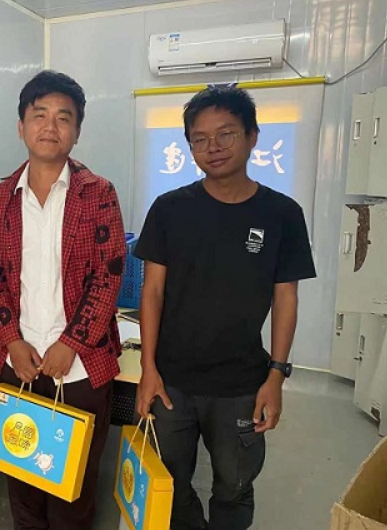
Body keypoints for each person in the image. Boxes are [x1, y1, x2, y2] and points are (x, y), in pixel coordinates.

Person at [134, 86, 316, 530]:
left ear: (252, 136)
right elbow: (152, 292)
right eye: (200, 138)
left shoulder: (282, 214)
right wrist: (148, 368)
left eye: (226, 134)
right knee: (170, 486)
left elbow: (285, 297)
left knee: (234, 488)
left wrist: (276, 375)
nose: (212, 147)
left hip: (241, 384)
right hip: (172, 382)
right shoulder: (169, 209)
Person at [0, 70, 126, 530]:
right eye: (39, 115)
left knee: (73, 488)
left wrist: (71, 343)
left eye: (63, 118)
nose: (50, 126)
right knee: (22, 479)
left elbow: (108, 275)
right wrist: (11, 339)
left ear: (77, 131)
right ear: (21, 126)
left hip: (80, 367)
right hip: (19, 362)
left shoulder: (98, 193)